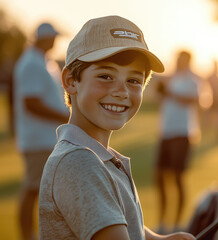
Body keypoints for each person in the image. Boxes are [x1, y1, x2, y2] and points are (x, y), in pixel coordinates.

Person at [38, 15, 195, 240]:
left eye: (133, 80)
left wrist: (161, 239)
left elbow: (127, 227)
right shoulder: (79, 163)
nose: (121, 91)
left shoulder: (99, 158)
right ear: (71, 81)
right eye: (106, 76)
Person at [13, 22, 68, 240]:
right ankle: (28, 236)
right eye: (53, 37)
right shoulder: (31, 64)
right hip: (37, 139)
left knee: (41, 189)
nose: (55, 42)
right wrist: (65, 117)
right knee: (32, 188)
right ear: (44, 38)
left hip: (46, 138)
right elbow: (31, 103)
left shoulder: (44, 62)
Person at [155, 51, 200, 233]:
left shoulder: (193, 80)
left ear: (188, 61)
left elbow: (194, 100)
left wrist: (170, 92)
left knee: (178, 177)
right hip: (166, 132)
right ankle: (163, 222)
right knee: (159, 176)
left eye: (181, 59)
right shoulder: (172, 78)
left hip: (183, 133)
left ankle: (177, 222)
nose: (177, 62)